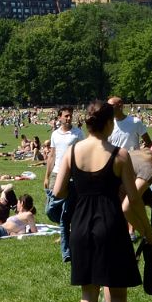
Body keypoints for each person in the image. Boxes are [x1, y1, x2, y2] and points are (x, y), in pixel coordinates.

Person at [52, 100, 152, 302]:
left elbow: (59, 191)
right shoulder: (120, 155)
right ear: (110, 123)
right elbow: (133, 200)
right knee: (118, 294)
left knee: (88, 293)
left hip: (81, 225)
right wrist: (146, 230)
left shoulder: (72, 151)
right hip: (110, 225)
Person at [46, 106, 84, 262]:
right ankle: (69, 231)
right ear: (59, 117)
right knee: (50, 210)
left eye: (70, 116)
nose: (69, 118)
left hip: (72, 175)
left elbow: (83, 154)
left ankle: (67, 251)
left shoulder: (78, 133)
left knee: (65, 215)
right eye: (66, 116)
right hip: (56, 174)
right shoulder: (55, 134)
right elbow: (52, 155)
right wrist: (47, 176)